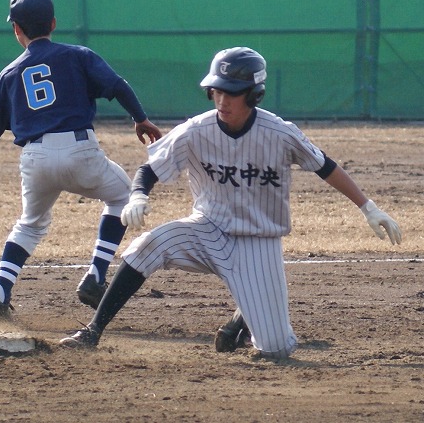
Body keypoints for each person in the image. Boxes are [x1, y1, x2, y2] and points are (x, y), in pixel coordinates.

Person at [59, 46, 402, 359]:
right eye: (217, 91)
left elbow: (325, 166)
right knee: (148, 245)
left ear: (254, 95)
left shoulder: (279, 133)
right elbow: (150, 168)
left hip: (257, 242)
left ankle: (243, 318)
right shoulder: (196, 130)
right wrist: (138, 194)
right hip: (206, 229)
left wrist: (368, 207)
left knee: (276, 349)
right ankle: (92, 331)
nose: (222, 101)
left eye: (232, 93)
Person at [0, 0, 162, 320]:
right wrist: (140, 118)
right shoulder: (78, 55)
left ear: (16, 29)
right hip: (81, 151)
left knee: (29, 225)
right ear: (54, 23)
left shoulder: (10, 73)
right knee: (123, 197)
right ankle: (95, 276)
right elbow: (117, 85)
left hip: (36, 159)